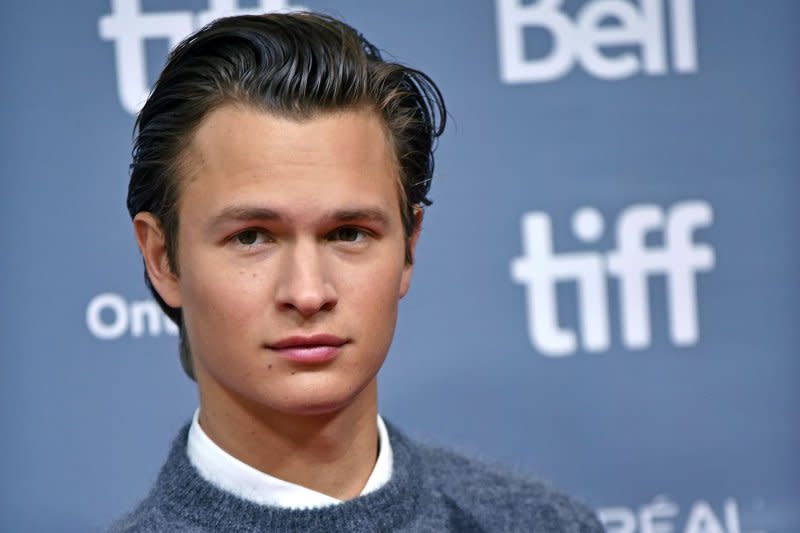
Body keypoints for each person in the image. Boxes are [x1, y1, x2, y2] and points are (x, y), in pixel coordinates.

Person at [109, 11, 604, 533]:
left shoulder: (541, 523)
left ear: (409, 246)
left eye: (348, 233)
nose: (307, 292)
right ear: (163, 259)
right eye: (251, 236)